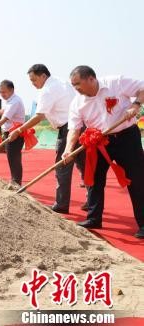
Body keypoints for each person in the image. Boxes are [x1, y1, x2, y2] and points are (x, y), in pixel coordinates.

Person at [62, 66, 144, 238]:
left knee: (136, 179)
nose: (75, 88)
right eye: (73, 85)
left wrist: (136, 105)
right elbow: (74, 130)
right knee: (93, 179)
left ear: (91, 78)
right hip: (99, 142)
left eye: (77, 84)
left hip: (126, 137)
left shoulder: (116, 82)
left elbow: (142, 89)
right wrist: (68, 150)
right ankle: (93, 218)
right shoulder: (77, 103)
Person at [7, 64, 86, 214]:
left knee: (62, 166)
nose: (33, 84)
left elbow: (39, 115)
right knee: (84, 165)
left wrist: (19, 130)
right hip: (82, 125)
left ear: (43, 76)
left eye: (34, 80)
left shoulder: (47, 90)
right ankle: (90, 201)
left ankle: (61, 204)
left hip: (69, 128)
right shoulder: (62, 82)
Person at [0, 80, 25, 185]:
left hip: (15, 133)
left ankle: (16, 182)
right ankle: (15, 180)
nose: (2, 94)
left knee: (14, 158)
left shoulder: (15, 101)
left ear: (11, 90)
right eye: (0, 92)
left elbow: (5, 118)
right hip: (9, 132)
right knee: (12, 157)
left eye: (4, 92)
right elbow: (5, 112)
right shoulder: (10, 100)